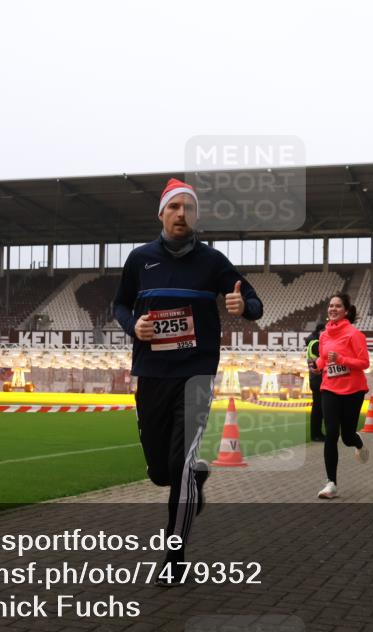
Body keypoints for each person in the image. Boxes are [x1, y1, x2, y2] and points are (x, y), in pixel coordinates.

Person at [113, 178, 263, 584]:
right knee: (161, 472)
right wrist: (134, 326)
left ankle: (174, 558)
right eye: (175, 207)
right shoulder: (139, 259)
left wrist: (242, 305)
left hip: (195, 373)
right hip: (151, 375)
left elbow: (253, 300)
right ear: (161, 213)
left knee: (177, 470)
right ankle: (196, 478)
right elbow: (120, 304)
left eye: (190, 208)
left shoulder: (213, 261)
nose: (183, 214)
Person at [315, 293, 370, 499]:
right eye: (330, 306)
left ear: (346, 310)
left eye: (338, 306)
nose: (333, 309)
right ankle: (331, 483)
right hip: (329, 388)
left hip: (353, 390)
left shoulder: (354, 334)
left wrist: (341, 358)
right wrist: (317, 366)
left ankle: (358, 442)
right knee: (331, 434)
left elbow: (364, 363)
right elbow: (323, 358)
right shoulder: (323, 335)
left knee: (346, 436)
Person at [305, 320, 327, 442]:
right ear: (319, 332)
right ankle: (316, 434)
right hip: (318, 378)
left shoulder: (312, 342)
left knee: (317, 408)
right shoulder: (317, 343)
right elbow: (323, 360)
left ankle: (317, 433)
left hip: (315, 378)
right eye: (324, 331)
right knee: (318, 408)